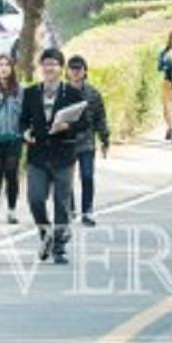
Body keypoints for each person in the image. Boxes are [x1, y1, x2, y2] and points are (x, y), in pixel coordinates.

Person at [21, 48, 84, 264]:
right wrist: (25, 133)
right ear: (42, 67)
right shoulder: (30, 93)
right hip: (37, 155)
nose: (49, 68)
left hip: (63, 155)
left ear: (61, 68)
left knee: (61, 202)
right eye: (46, 64)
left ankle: (59, 247)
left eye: (54, 64)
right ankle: (45, 232)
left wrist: (66, 126)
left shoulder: (73, 94)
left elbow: (83, 124)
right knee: (35, 199)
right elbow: (22, 121)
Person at [65, 55, 109, 226]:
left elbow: (100, 118)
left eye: (79, 69)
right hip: (66, 141)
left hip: (87, 141)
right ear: (67, 72)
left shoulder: (93, 93)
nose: (76, 73)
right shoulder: (61, 93)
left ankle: (87, 211)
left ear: (85, 72)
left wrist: (105, 138)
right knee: (66, 178)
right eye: (73, 69)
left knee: (87, 176)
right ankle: (70, 208)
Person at [0, 55, 25, 224]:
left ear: (12, 68)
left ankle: (12, 209)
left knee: (11, 172)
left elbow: (25, 114)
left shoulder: (19, 90)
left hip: (14, 137)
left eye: (7, 65)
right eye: (0, 65)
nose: (3, 68)